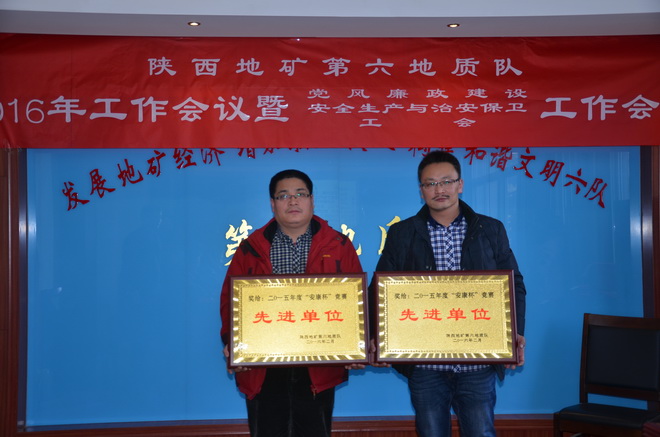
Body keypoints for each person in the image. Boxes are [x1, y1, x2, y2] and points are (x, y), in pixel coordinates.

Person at [374, 151, 527, 437]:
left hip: (478, 361)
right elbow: (382, 289)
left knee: (481, 432)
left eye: (446, 181)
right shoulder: (402, 233)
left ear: (460, 184)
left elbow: (513, 284)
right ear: (421, 190)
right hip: (425, 363)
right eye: (430, 183)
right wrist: (378, 338)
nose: (439, 189)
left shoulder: (490, 229)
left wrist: (514, 333)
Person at [220, 169, 363, 437]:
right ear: (272, 204)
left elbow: (356, 302)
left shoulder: (339, 245)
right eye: (283, 195)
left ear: (312, 201)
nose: (293, 201)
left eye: (300, 194)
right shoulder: (250, 247)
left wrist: (358, 343)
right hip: (264, 364)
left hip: (318, 364)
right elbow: (230, 301)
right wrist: (232, 342)